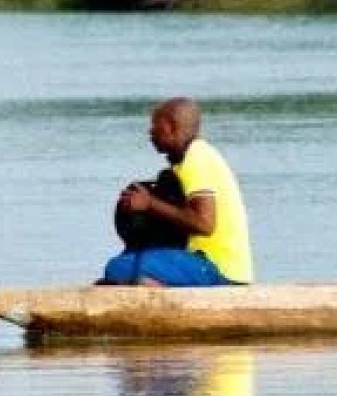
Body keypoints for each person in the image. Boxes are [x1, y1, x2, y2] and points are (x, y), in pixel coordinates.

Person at [99, 97, 255, 287]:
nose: (150, 132)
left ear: (172, 127)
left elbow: (204, 224)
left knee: (120, 268)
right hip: (202, 262)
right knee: (121, 266)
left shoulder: (196, 159)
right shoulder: (188, 160)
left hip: (218, 268)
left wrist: (150, 204)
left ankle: (159, 290)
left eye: (156, 126)